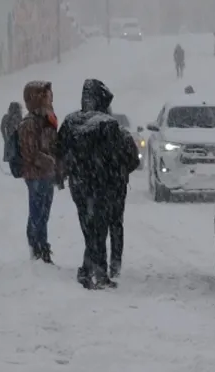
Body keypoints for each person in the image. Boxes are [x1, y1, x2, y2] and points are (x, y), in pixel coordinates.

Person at [56, 79, 139, 289]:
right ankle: (97, 273)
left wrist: (69, 171)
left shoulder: (70, 121)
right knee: (99, 228)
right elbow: (118, 156)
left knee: (88, 228)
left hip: (79, 184)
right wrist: (115, 175)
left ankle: (88, 270)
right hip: (101, 184)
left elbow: (59, 151)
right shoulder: (108, 125)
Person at [19, 81, 61, 264]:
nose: (49, 100)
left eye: (49, 96)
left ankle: (41, 246)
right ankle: (38, 248)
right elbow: (30, 152)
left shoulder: (48, 120)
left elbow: (54, 145)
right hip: (35, 175)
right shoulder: (29, 123)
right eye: (44, 96)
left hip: (47, 175)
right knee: (37, 213)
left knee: (43, 213)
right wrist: (50, 161)